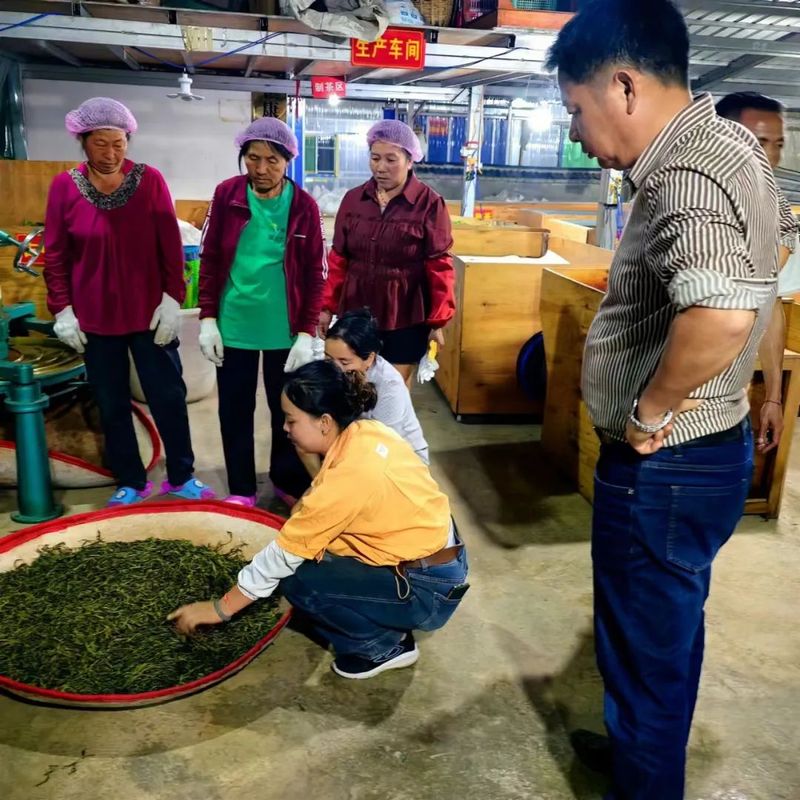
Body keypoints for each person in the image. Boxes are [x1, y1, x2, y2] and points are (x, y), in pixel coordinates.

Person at [546, 2, 781, 798]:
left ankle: (647, 775)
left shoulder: (688, 171)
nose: (576, 131)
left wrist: (647, 411)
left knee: (646, 648)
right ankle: (640, 749)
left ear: (622, 84)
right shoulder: (734, 146)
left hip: (667, 464)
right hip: (705, 453)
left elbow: (721, 312)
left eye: (576, 108)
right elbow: (767, 272)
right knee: (661, 639)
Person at [168, 360, 468, 680]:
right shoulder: (366, 432)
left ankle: (381, 647)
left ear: (324, 422)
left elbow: (281, 557)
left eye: (291, 419)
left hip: (428, 591)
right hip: (441, 560)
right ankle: (385, 619)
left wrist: (218, 609)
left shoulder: (350, 476)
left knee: (299, 580)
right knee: (317, 550)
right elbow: (323, 498)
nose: (285, 428)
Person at [44, 97, 214, 507]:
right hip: (96, 319)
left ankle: (181, 475)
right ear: (82, 141)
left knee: (169, 397)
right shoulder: (65, 186)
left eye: (119, 143)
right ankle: (130, 480)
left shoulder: (150, 180)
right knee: (111, 401)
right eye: (101, 143)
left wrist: (172, 299)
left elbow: (170, 247)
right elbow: (56, 254)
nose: (111, 153)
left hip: (149, 314)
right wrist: (62, 308)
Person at [197, 117, 327, 508]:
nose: (262, 168)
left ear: (288, 161)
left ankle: (285, 482)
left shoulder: (303, 205)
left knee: (285, 413)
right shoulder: (227, 195)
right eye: (253, 158)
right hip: (234, 323)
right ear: (243, 158)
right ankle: (241, 489)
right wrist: (207, 318)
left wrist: (306, 332)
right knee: (234, 409)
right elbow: (210, 258)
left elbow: (316, 272)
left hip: (282, 330)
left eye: (272, 159)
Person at [320, 119, 455, 386]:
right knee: (351, 389)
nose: (381, 167)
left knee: (392, 392)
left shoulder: (429, 204)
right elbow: (338, 260)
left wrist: (438, 320)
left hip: (405, 314)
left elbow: (439, 266)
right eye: (375, 158)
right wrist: (326, 307)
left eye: (391, 159)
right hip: (356, 311)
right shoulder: (353, 200)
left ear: (410, 159)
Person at [716, 91, 799, 456]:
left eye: (777, 144)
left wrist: (774, 399)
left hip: (727, 398)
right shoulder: (687, 197)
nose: (771, 156)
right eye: (758, 142)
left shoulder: (777, 214)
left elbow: (770, 303)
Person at [325, 309, 429, 464]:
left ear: (369, 358)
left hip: (398, 460)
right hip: (357, 447)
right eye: (328, 358)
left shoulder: (389, 386)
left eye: (344, 362)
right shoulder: (331, 372)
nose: (334, 367)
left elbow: (383, 445)